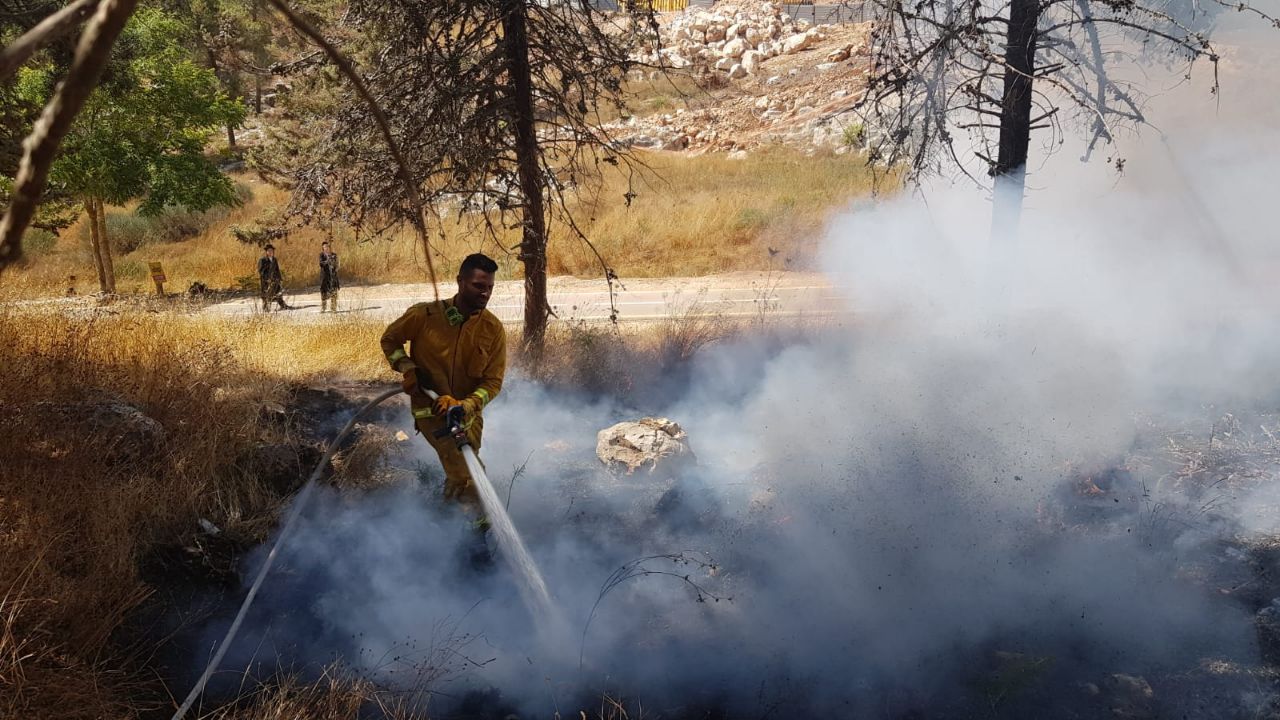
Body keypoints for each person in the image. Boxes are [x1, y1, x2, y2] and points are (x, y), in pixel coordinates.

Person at [380, 254, 506, 510]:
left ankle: (443, 518)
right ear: (460, 281)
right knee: (473, 480)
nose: (485, 294)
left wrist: (466, 405)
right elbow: (390, 340)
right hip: (432, 412)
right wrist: (407, 368)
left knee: (460, 475)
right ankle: (476, 543)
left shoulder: (492, 329)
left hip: (468, 417)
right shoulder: (424, 316)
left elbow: (493, 382)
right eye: (479, 286)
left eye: (490, 287)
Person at [257, 244, 290, 311]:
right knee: (266, 294)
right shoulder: (262, 260)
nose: (270, 252)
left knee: (277, 292)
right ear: (266, 252)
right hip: (266, 281)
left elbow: (277, 269)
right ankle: (265, 307)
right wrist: (267, 279)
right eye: (269, 251)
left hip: (275, 280)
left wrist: (279, 278)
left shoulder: (274, 259)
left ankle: (283, 305)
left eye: (271, 251)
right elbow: (261, 271)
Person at [319, 241, 340, 312]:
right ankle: (323, 308)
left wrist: (335, 268)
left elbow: (337, 264)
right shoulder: (322, 255)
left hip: (333, 276)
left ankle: (333, 308)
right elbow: (321, 263)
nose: (326, 248)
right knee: (323, 292)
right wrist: (327, 261)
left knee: (334, 291)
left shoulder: (334, 255)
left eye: (327, 246)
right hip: (325, 277)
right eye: (324, 247)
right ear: (323, 248)